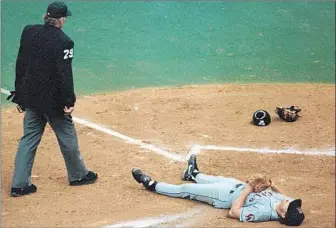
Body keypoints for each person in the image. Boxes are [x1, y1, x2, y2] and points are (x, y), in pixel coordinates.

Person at [7, 1, 98, 197]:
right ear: (62, 19)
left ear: (45, 16)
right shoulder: (64, 41)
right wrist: (69, 101)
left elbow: (21, 62)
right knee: (67, 136)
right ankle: (78, 175)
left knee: (28, 139)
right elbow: (64, 75)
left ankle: (19, 184)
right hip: (54, 103)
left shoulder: (29, 32)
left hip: (31, 97)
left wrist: (20, 93)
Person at [131, 154, 305, 226]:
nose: (289, 200)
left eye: (289, 205)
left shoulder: (263, 213)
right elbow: (280, 193)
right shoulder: (281, 202)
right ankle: (193, 172)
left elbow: (234, 212)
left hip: (224, 197)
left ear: (283, 215)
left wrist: (249, 188)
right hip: (234, 186)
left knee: (187, 189)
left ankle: (152, 185)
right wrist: (270, 183)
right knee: (210, 178)